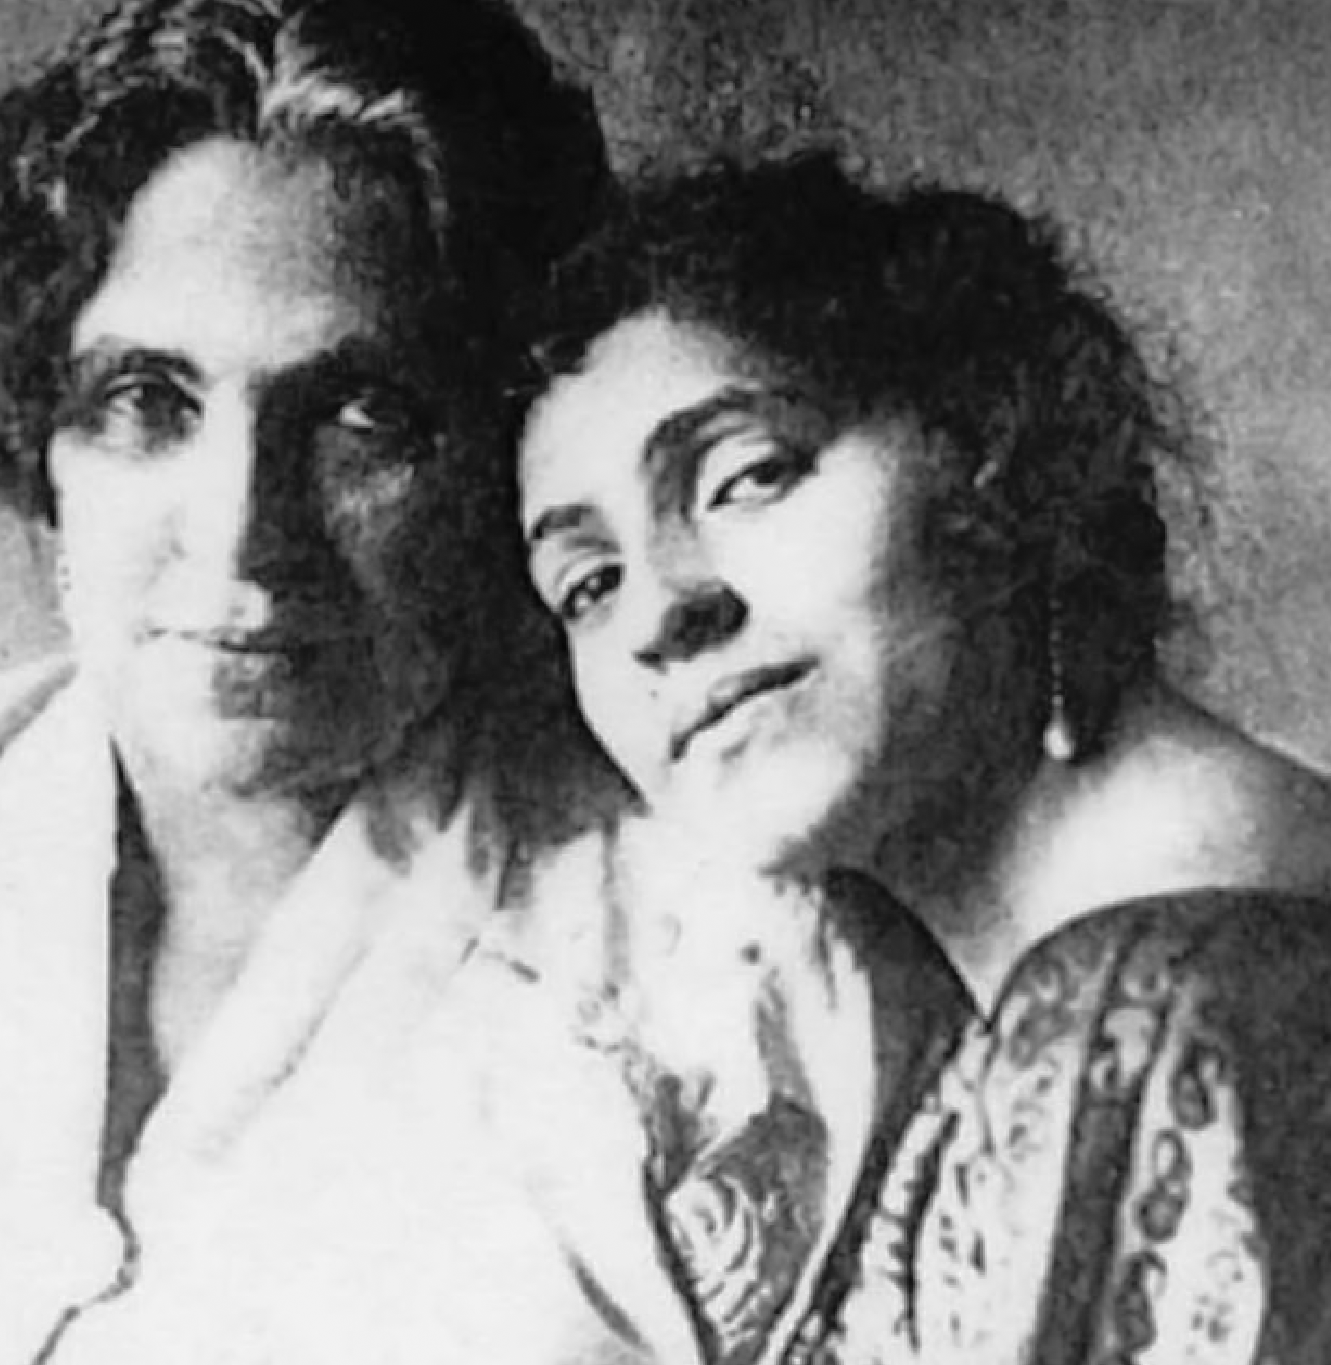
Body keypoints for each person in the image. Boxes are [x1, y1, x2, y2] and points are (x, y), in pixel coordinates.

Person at [0, 8, 960, 1365]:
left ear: (497, 459)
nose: (244, 535)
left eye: (361, 417)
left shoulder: (736, 1003)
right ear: (43, 445)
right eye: (144, 401)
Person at [517, 151, 1331, 1365]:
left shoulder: (1178, 997)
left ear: (989, 452)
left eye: (745, 477)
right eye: (586, 584)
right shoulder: (988, 1035)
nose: (657, 613)